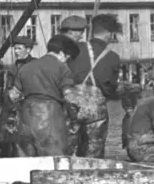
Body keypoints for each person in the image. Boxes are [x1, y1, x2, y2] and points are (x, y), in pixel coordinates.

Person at [63, 15, 122, 158]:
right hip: (96, 110)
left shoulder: (75, 49)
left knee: (69, 151)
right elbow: (110, 89)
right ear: (109, 33)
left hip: (72, 107)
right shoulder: (113, 56)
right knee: (94, 152)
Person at [10, 35, 79, 157]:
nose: (66, 61)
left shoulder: (25, 68)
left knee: (26, 162)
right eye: (68, 58)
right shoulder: (62, 68)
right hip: (50, 118)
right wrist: (74, 119)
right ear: (63, 53)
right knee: (54, 162)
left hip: (26, 118)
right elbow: (70, 99)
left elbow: (13, 96)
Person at [0, 35, 37, 156]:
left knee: (24, 143)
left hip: (25, 109)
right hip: (10, 108)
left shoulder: (34, 65)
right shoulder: (13, 67)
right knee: (5, 140)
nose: (16, 51)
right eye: (15, 49)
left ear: (28, 50)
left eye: (19, 48)